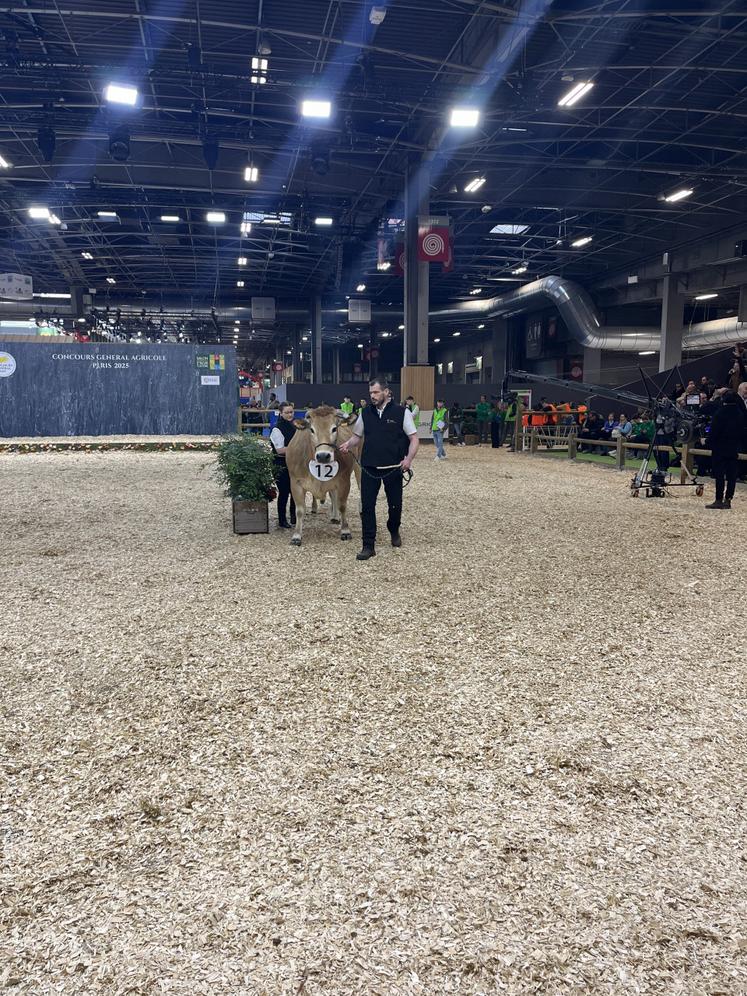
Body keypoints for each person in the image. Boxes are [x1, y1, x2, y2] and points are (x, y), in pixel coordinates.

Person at [339, 377, 419, 561]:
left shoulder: (402, 412)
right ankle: (368, 545)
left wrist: (409, 459)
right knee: (367, 507)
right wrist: (348, 445)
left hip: (394, 467)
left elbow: (414, 438)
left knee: (395, 505)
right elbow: (357, 436)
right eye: (371, 393)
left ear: (386, 392)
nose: (372, 396)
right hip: (369, 468)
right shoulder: (365, 413)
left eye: (376, 392)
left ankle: (394, 529)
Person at [705, 390, 744, 509]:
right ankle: (728, 499)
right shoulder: (740, 414)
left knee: (719, 475)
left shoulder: (720, 413)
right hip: (733, 448)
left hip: (719, 448)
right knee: (731, 475)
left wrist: (707, 442)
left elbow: (714, 432)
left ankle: (718, 499)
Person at [269, 401, 297, 529]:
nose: (290, 414)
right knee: (284, 492)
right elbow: (280, 450)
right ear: (281, 413)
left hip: (294, 463)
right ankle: (282, 519)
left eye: (291, 412)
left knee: (295, 491)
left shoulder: (295, 426)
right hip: (280, 463)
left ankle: (294, 516)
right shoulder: (277, 429)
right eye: (287, 412)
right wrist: (297, 448)